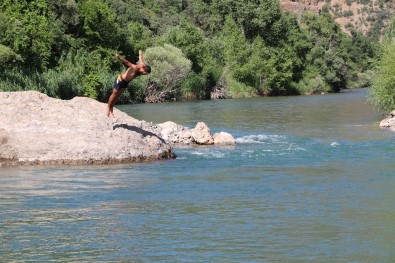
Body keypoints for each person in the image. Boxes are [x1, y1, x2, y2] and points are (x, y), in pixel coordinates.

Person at [106, 50, 151, 117]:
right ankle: (108, 107)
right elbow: (127, 62)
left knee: (118, 96)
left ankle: (111, 108)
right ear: (144, 70)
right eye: (145, 73)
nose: (145, 74)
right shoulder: (136, 68)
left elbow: (141, 58)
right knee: (114, 94)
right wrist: (119, 57)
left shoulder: (143, 66)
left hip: (126, 82)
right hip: (120, 80)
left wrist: (140, 53)